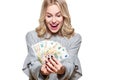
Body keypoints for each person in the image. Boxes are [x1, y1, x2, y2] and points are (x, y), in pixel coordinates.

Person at [22, 0, 82, 80]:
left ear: (64, 16)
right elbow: (33, 64)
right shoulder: (32, 36)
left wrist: (62, 70)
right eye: (49, 16)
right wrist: (41, 71)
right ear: (44, 17)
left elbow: (70, 64)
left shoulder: (75, 38)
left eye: (58, 15)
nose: (54, 21)